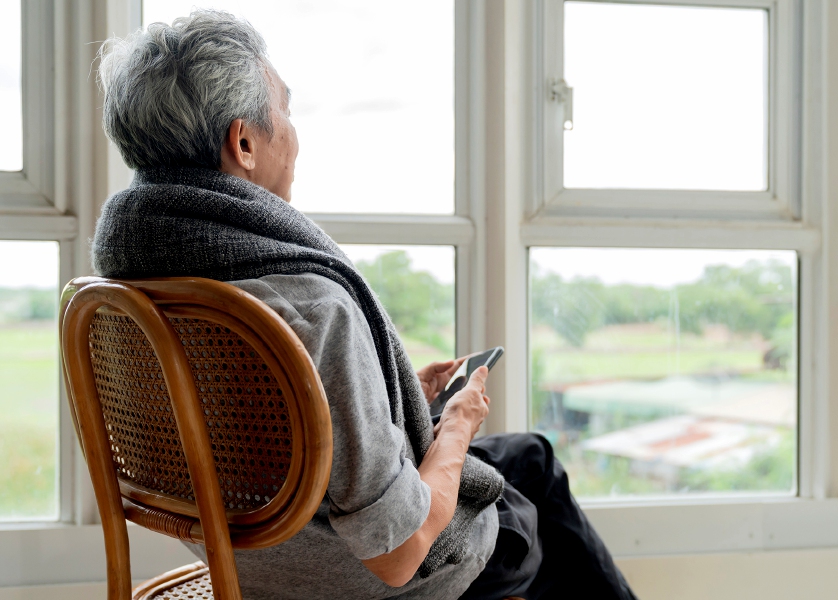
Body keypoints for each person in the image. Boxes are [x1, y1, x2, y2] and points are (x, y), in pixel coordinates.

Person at [92, 10, 638, 600]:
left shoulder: (134, 287)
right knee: (525, 521)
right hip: (349, 575)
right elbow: (397, 553)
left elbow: (263, 432)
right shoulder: (308, 307)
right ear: (244, 142)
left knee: (529, 455)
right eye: (286, 111)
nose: (295, 134)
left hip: (249, 558)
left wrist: (388, 396)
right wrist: (456, 424)